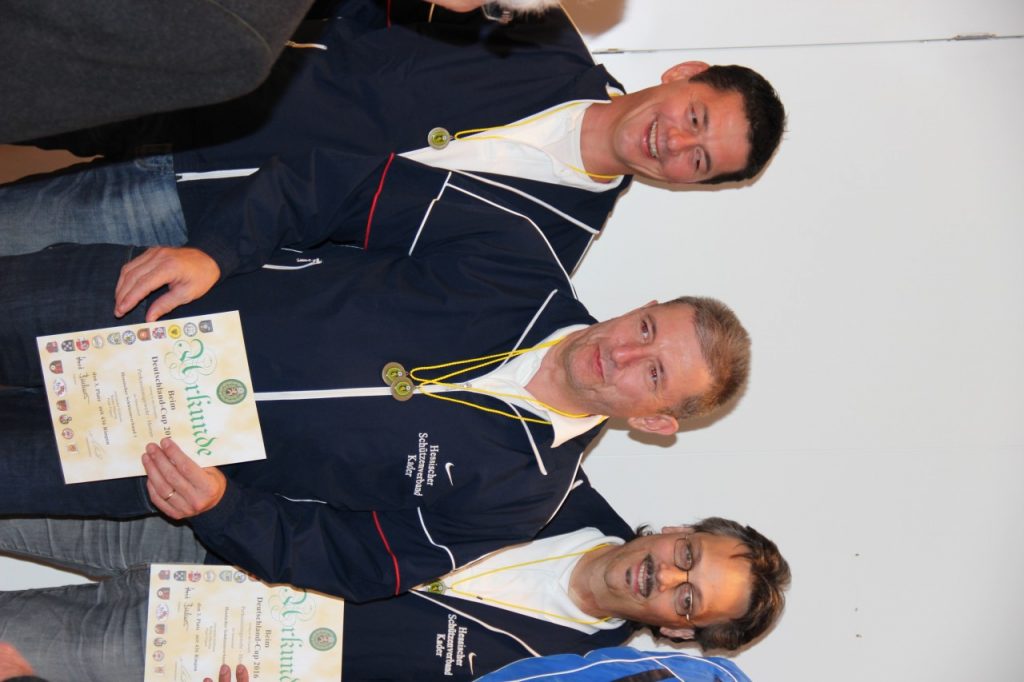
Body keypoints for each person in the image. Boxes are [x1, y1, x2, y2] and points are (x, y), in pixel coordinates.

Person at [0, 152, 752, 602]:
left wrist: (224, 510)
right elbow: (335, 185)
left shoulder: (521, 497)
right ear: (645, 306)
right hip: (138, 305)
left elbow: (352, 561)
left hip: (145, 457)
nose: (622, 353)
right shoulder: (516, 259)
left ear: (656, 421)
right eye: (646, 330)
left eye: (654, 373)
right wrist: (216, 252)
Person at [1, 0, 786, 282]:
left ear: (687, 185)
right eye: (695, 117)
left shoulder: (548, 244)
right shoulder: (536, 30)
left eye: (699, 161)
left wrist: (229, 258)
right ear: (684, 74)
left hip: (194, 226)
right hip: (195, 83)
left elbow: (361, 278)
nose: (674, 143)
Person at [0, 483, 789, 680]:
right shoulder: (542, 482)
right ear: (677, 528)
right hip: (197, 517)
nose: (666, 573)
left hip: (200, 649)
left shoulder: (548, 672)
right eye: (689, 552)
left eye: (687, 597)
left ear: (678, 630)